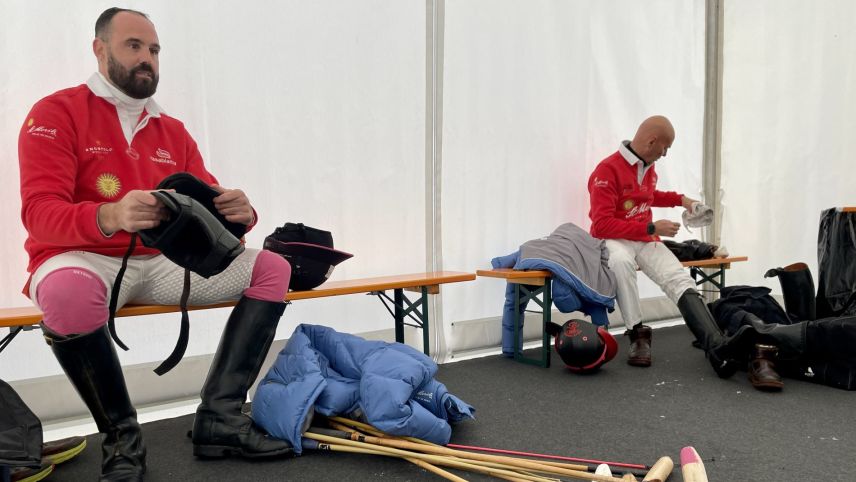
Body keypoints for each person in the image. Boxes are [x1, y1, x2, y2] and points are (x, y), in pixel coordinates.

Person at [18, 8, 294, 481]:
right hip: (81, 262)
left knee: (273, 267)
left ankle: (220, 419)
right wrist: (108, 214)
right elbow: (38, 214)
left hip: (161, 264)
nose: (148, 59)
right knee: (67, 294)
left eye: (154, 50)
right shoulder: (55, 112)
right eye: (134, 46)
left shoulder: (173, 130)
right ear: (99, 49)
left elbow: (207, 216)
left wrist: (241, 214)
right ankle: (122, 440)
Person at [586, 116, 739, 377]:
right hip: (613, 239)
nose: (665, 154)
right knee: (621, 262)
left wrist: (683, 201)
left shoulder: (647, 166)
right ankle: (638, 336)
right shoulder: (606, 171)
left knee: (678, 278)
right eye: (665, 148)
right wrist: (651, 228)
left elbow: (649, 196)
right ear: (651, 141)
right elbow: (601, 226)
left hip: (643, 239)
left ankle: (716, 346)